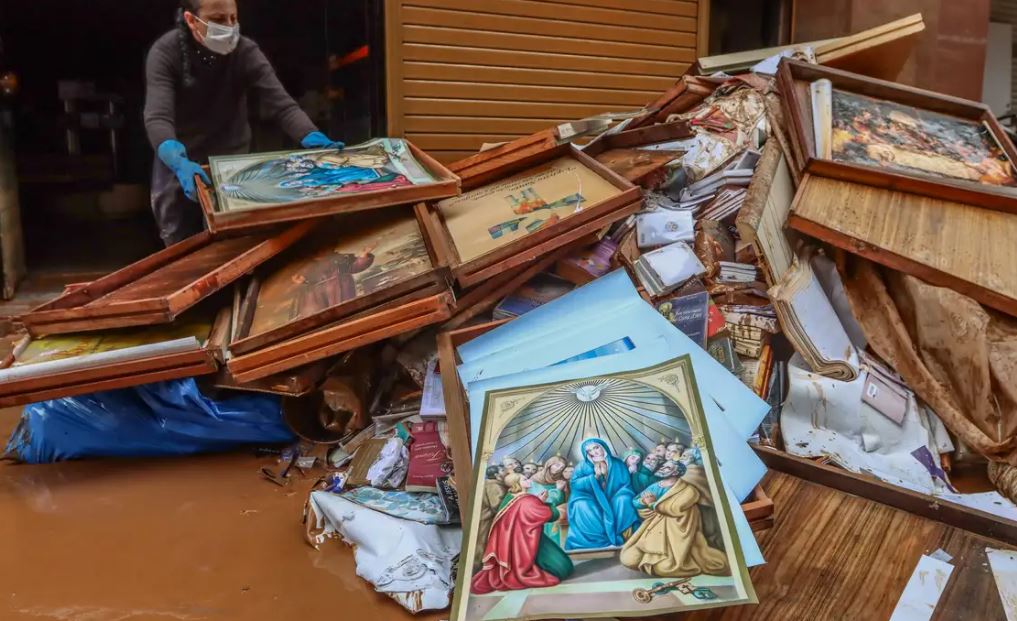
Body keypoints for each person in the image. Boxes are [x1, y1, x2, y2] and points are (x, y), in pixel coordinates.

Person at [144, 0, 344, 246]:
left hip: (229, 156)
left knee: (229, 243)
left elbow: (282, 105)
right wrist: (176, 160)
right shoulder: (165, 52)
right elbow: (157, 116)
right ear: (191, 20)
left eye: (233, 18)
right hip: (179, 158)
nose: (229, 26)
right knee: (179, 243)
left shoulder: (246, 52)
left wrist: (311, 136)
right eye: (218, 19)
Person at [471, 473, 573, 594]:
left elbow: (524, 512)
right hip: (523, 541)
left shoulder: (511, 497)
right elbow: (544, 513)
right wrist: (557, 510)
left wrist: (539, 501)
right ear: (517, 483)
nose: (529, 480)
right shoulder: (527, 500)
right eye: (525, 479)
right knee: (561, 567)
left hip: (514, 539)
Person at [619, 467, 729, 578]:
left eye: (667, 467)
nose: (663, 468)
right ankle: (649, 559)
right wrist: (643, 501)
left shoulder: (689, 490)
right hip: (654, 527)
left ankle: (663, 562)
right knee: (628, 559)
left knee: (664, 568)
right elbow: (639, 500)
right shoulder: (657, 485)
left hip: (675, 533)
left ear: (676, 472)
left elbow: (675, 508)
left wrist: (652, 503)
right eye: (664, 466)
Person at [564, 438, 639, 551]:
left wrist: (620, 492)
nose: (594, 452)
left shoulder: (617, 464)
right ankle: (597, 541)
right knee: (581, 505)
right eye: (589, 451)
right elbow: (575, 484)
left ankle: (618, 535)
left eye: (596, 447)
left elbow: (625, 485)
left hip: (613, 496)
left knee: (624, 499)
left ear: (603, 447)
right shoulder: (582, 466)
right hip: (591, 498)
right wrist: (594, 478)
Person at [528, 455, 569, 547]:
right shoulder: (535, 480)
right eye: (557, 465)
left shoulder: (561, 480)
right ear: (549, 465)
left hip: (558, 514)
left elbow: (566, 499)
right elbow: (542, 501)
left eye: (562, 467)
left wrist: (566, 490)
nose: (559, 469)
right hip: (542, 515)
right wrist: (558, 489)